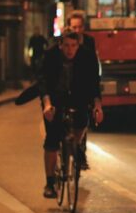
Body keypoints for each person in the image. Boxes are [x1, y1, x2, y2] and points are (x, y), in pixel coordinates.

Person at [38, 32, 103, 198]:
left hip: (77, 96)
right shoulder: (51, 55)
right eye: (66, 45)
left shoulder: (87, 56)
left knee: (82, 120)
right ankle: (50, 183)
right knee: (52, 138)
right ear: (60, 45)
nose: (70, 50)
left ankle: (76, 145)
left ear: (78, 46)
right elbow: (43, 81)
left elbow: (94, 82)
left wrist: (97, 106)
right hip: (54, 98)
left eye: (74, 46)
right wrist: (47, 105)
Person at [67, 12, 102, 169]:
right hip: (66, 84)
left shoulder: (89, 41)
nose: (77, 30)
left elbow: (93, 67)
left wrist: (95, 98)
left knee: (83, 120)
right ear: (69, 26)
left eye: (80, 26)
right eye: (74, 27)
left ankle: (80, 151)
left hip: (83, 84)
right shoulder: (63, 41)